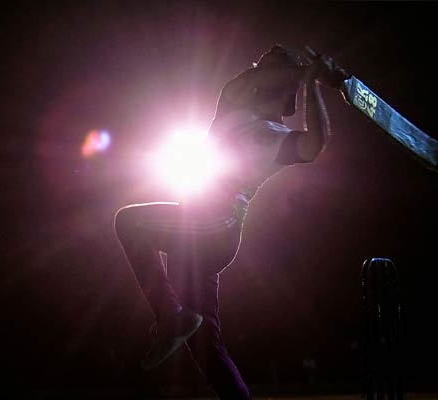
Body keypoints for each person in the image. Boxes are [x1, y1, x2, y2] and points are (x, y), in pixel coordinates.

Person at [114, 44, 348, 399]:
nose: (260, 74)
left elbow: (315, 145)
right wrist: (310, 73)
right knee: (207, 351)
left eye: (273, 69)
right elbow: (260, 77)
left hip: (216, 224)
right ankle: (181, 328)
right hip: (194, 229)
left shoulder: (280, 137)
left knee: (129, 222)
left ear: (289, 91)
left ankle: (171, 318)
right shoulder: (233, 102)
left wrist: (313, 84)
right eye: (263, 69)